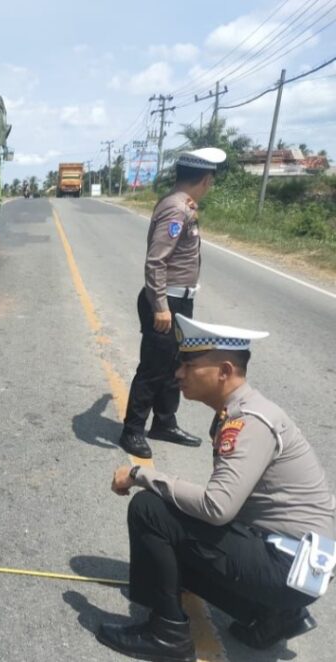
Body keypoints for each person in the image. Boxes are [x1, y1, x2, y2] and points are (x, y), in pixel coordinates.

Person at [97, 315, 336, 660]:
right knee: (176, 550)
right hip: (300, 563)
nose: (178, 373)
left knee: (150, 509)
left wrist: (140, 474)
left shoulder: (248, 421)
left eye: (189, 364)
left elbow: (217, 507)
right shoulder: (242, 411)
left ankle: (167, 633)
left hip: (289, 566)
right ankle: (273, 616)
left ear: (224, 371)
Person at [118, 147, 228, 459]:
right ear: (206, 180)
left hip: (179, 301)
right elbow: (156, 261)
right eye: (210, 181)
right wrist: (161, 306)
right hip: (167, 302)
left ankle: (164, 423)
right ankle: (132, 430)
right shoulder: (177, 209)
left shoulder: (179, 204)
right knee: (154, 368)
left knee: (175, 366)